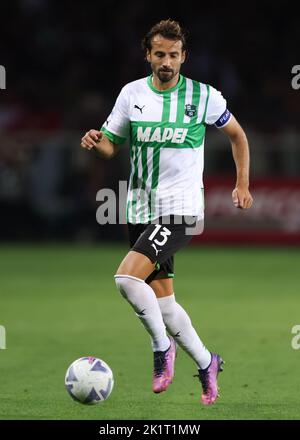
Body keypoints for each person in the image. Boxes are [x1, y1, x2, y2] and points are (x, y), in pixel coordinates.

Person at [81, 19, 253, 405]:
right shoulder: (131, 95)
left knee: (126, 280)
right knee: (164, 304)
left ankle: (162, 349)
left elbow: (238, 136)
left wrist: (242, 183)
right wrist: (97, 143)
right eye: (159, 54)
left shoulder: (204, 97)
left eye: (174, 55)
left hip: (181, 210)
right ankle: (208, 362)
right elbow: (112, 144)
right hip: (139, 208)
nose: (167, 61)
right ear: (148, 55)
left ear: (183, 57)